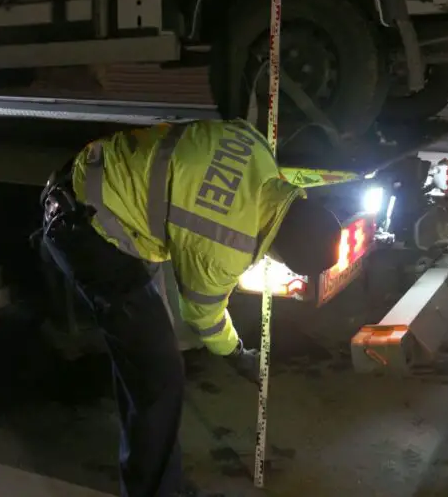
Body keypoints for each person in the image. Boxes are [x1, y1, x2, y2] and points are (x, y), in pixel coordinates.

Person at [40, 118, 342, 497]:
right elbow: (203, 317)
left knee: (145, 357)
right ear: (281, 255)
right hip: (88, 232)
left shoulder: (257, 148)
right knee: (159, 373)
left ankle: (158, 472)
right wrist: (237, 354)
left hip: (99, 174)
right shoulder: (224, 248)